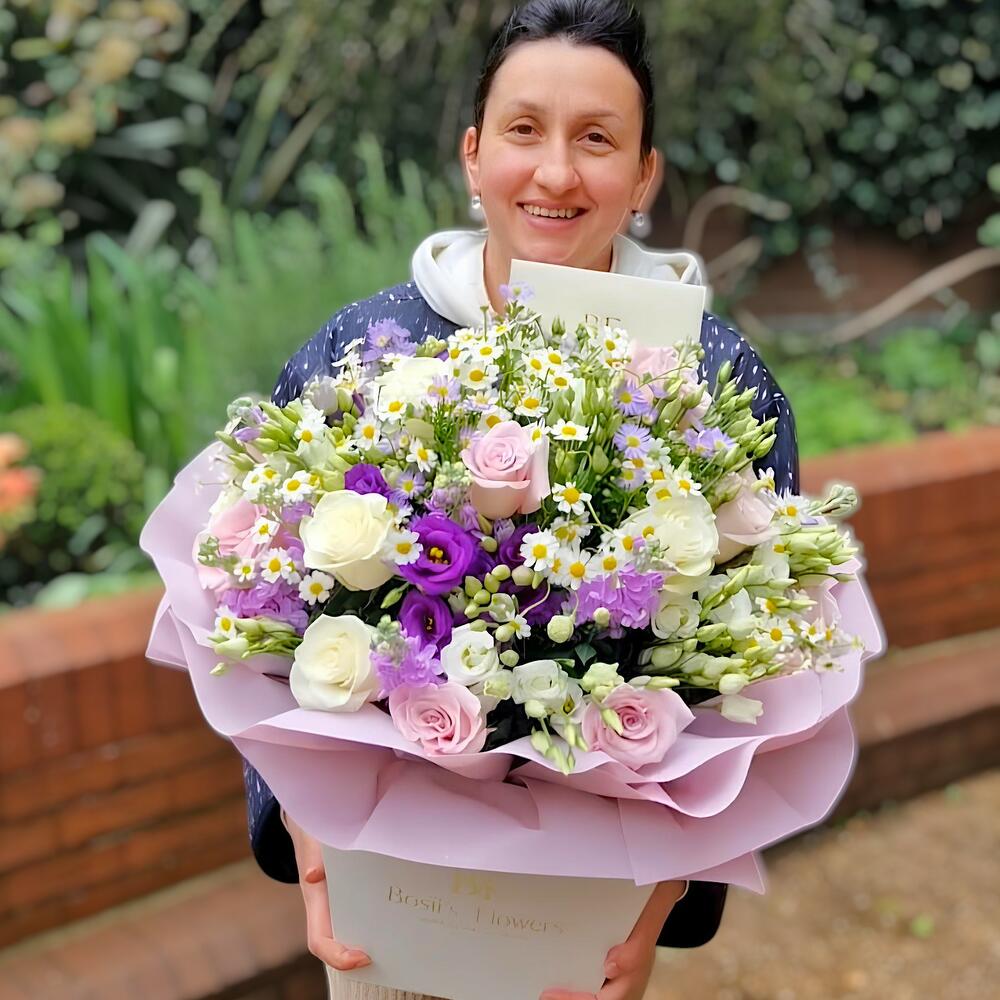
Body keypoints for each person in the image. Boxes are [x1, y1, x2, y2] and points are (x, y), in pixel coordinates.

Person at [243, 2, 800, 998]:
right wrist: (312, 837)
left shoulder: (715, 379)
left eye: (596, 139)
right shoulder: (361, 353)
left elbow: (764, 661)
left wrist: (660, 901)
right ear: (473, 154)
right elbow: (263, 617)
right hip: (391, 898)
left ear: (644, 177)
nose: (554, 172)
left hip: (588, 921)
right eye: (524, 129)